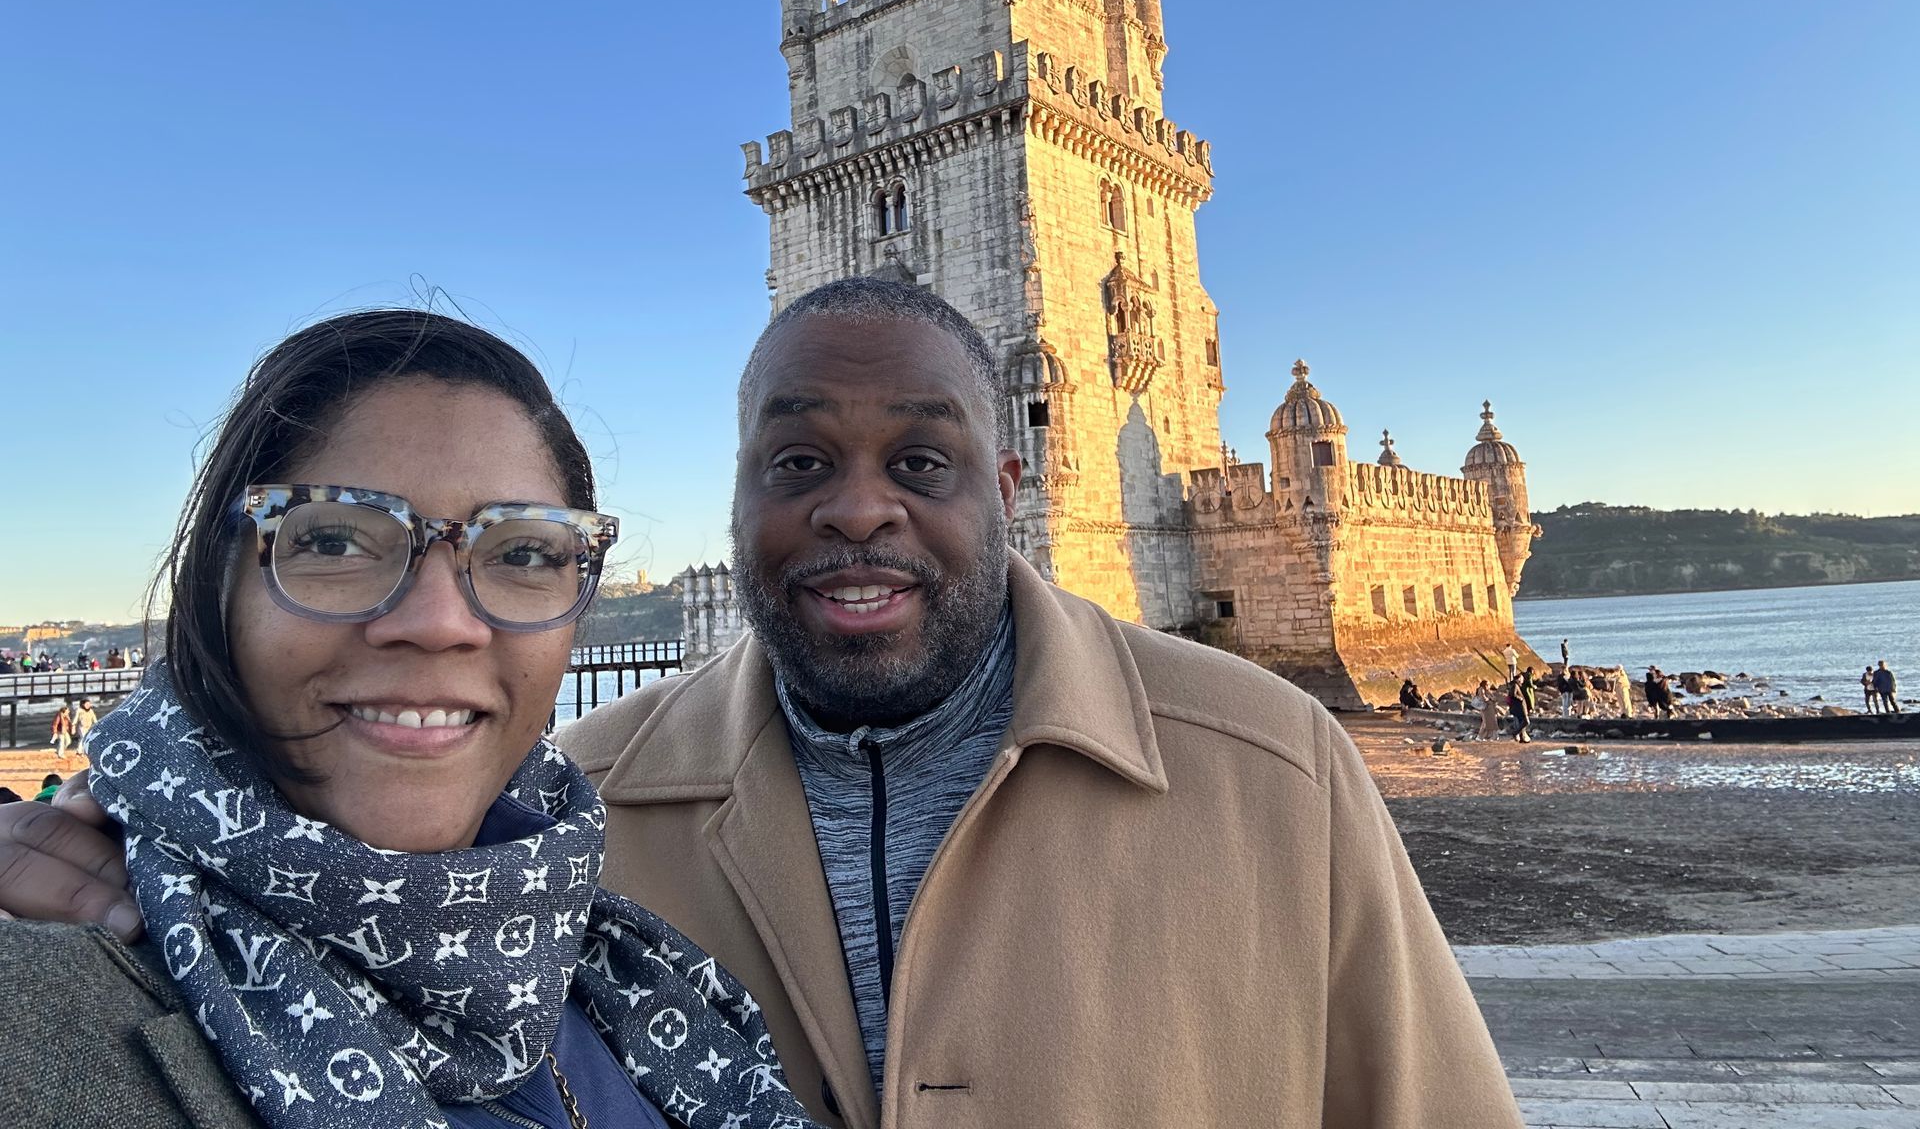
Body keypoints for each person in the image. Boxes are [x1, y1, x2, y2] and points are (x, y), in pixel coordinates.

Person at [0, 282, 1524, 1128]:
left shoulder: (1269, 763)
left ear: (1012, 480)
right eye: (336, 538)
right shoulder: (581, 805)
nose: (857, 509)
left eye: (921, 462)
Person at [0, 310, 817, 1129]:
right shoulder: (40, 990)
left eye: (522, 552)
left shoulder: (625, 970)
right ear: (219, 584)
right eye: (335, 541)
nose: (439, 622)